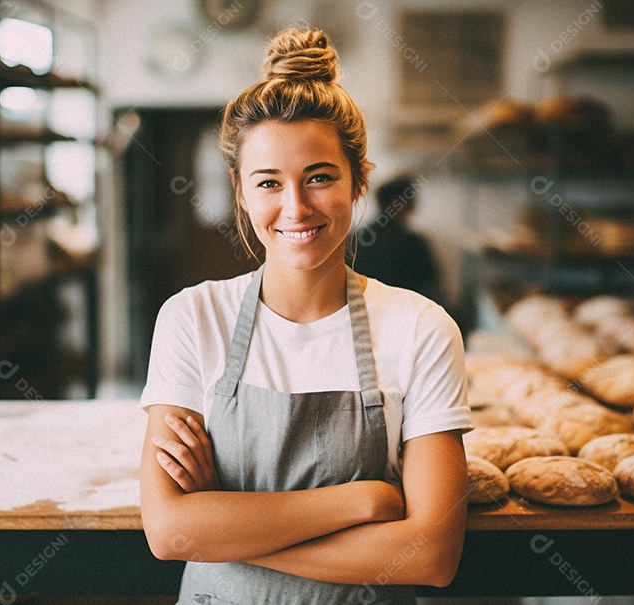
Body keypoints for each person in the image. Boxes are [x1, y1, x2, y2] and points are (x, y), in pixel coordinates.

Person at [139, 27, 471, 605]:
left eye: (319, 177)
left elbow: (431, 556)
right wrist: (361, 501)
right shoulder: (192, 319)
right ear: (241, 191)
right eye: (269, 182)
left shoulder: (422, 329)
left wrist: (227, 527)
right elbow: (170, 533)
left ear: (359, 178)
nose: (295, 207)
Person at [352, 174, 443, 304]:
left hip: (366, 307)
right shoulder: (413, 242)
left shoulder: (359, 238)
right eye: (410, 199)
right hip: (406, 309)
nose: (415, 204)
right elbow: (433, 286)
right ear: (396, 203)